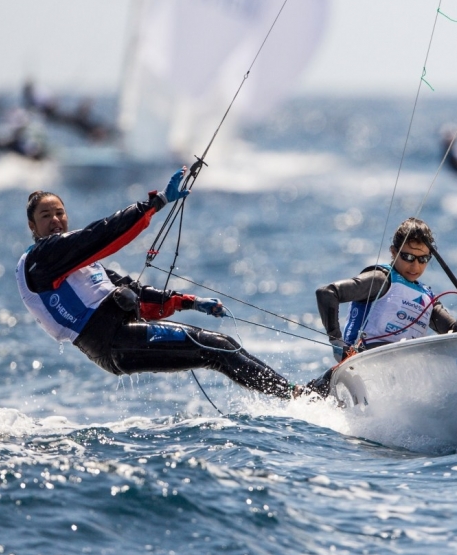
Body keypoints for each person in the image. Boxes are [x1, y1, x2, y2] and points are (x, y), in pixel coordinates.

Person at [15, 169, 295, 399]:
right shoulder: (40, 260)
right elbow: (98, 235)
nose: (55, 220)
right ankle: (297, 396)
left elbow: (137, 294)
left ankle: (293, 393)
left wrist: (191, 303)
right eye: (45, 216)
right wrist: (155, 203)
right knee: (217, 347)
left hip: (121, 334)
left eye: (60, 213)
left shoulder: (77, 265)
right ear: (32, 226)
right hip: (111, 341)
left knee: (222, 346)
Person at [300, 217, 457, 398]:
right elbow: (327, 293)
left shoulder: (428, 298)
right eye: (408, 257)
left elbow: (456, 339)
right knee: (304, 396)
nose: (415, 265)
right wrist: (336, 341)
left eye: (423, 259)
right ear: (394, 252)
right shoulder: (381, 280)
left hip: (402, 380)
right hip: (359, 373)